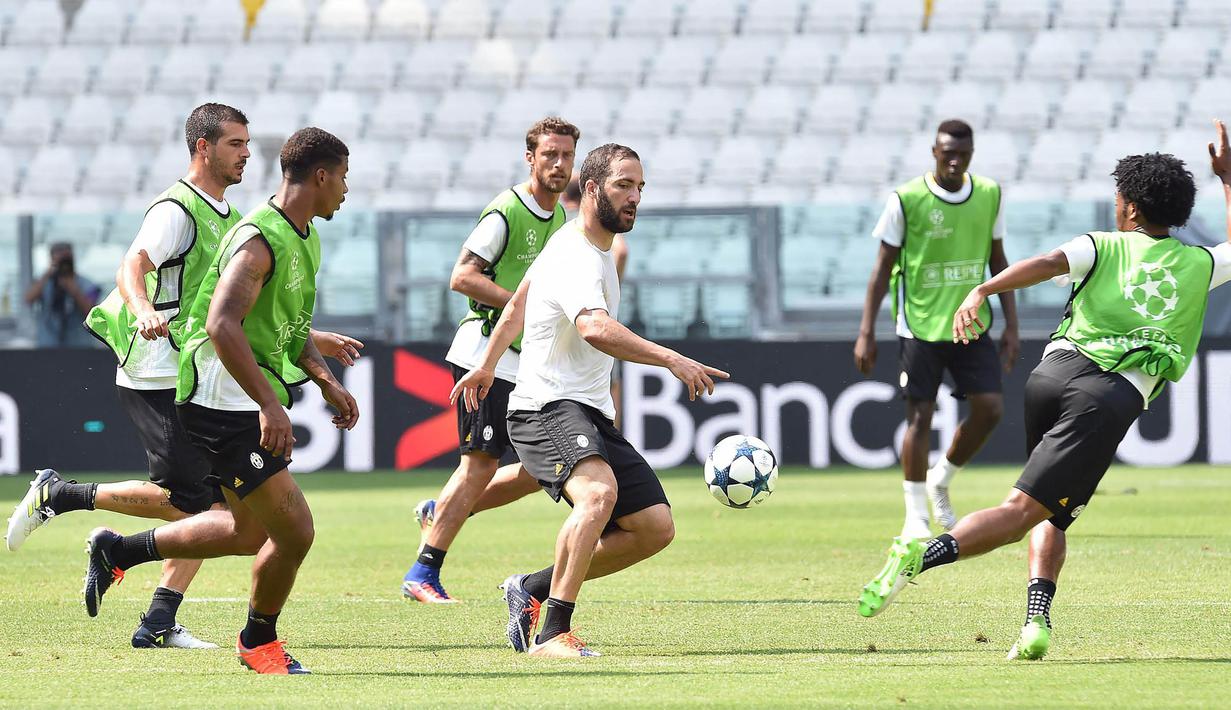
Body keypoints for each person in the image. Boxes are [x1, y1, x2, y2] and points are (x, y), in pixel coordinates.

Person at [857, 121, 1231, 662]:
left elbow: (1046, 264)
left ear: (1130, 208)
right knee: (1020, 513)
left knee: (1050, 510)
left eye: (1119, 197)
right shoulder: (1201, 264)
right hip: (1105, 398)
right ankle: (921, 555)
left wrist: (983, 289)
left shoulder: (1101, 246)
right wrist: (1227, 179)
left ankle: (1036, 622)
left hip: (1051, 375)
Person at [6, 107, 362, 651]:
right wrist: (143, 309)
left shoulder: (235, 217)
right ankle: (68, 499)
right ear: (203, 147)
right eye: (235, 143)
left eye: (248, 143)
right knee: (194, 503)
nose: (247, 153)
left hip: (199, 367)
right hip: (162, 368)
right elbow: (134, 268)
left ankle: (152, 608)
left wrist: (314, 346)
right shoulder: (179, 209)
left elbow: (242, 306)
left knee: (228, 518)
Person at [452, 143, 728, 657]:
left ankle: (531, 589)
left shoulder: (576, 245)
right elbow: (594, 327)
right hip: (546, 406)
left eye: (640, 187)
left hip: (585, 410)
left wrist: (487, 366)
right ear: (594, 189)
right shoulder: (577, 252)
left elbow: (518, 304)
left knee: (653, 528)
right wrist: (671, 358)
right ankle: (553, 633)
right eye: (624, 185)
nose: (635, 197)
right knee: (597, 496)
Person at [401, 118, 579, 604]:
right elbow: (462, 276)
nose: (559, 164)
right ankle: (422, 572)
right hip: (484, 355)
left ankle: (442, 510)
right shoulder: (507, 210)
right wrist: (522, 305)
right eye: (550, 155)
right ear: (530, 158)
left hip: (524, 361)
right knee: (479, 464)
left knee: (543, 466)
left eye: (566, 155)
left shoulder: (560, 220)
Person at [854, 118, 1019, 539]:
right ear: (934, 152)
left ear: (971, 154)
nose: (955, 161)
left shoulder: (990, 194)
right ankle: (915, 517)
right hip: (921, 326)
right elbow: (881, 269)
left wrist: (1012, 326)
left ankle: (940, 478)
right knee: (920, 417)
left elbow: (998, 261)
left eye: (963, 154)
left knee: (990, 409)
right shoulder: (906, 199)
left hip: (971, 323)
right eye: (948, 153)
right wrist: (866, 331)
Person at [24, 242, 101, 347]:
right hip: (48, 344)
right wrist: (48, 274)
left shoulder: (87, 285)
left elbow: (92, 314)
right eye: (60, 261)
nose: (64, 265)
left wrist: (74, 290)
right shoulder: (44, 283)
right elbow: (28, 299)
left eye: (66, 260)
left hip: (80, 345)